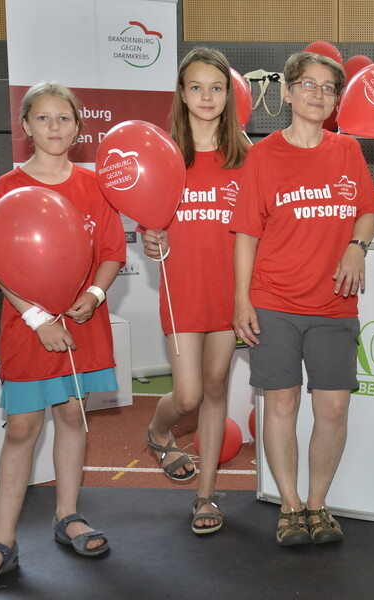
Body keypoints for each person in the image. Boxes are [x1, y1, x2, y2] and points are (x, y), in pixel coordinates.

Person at [0, 81, 125, 595]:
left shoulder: (95, 186)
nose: (55, 128)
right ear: (26, 126)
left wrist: (95, 297)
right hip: (29, 327)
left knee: (73, 415)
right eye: (44, 119)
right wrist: (38, 319)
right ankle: (1, 544)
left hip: (81, 325)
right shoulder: (7, 186)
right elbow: (2, 265)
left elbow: (112, 253)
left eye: (65, 119)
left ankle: (68, 515)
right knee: (22, 428)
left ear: (78, 127)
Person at [231, 51, 374, 546]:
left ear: (336, 100)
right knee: (281, 405)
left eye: (328, 87)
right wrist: (241, 300)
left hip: (335, 304)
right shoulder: (263, 156)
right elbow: (247, 235)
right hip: (273, 301)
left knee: (333, 409)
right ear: (289, 93)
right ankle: (290, 507)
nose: (318, 94)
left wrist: (357, 248)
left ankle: (319, 505)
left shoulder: (348, 151)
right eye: (308, 84)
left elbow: (367, 213)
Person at [140, 47, 251, 534]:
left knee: (214, 388)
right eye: (196, 87)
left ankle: (206, 496)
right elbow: (149, 219)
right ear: (181, 94)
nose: (206, 96)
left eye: (216, 87)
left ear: (228, 95)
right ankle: (159, 430)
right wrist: (151, 236)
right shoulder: (164, 154)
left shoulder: (247, 154)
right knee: (186, 396)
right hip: (181, 286)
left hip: (229, 293)